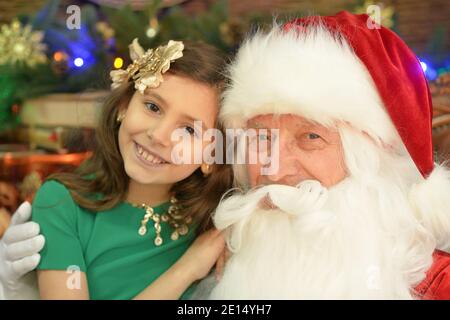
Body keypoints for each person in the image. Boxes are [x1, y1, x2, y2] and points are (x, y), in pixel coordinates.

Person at [196, 11, 450, 299]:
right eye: (262, 137)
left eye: (311, 137)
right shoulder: (214, 257)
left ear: (370, 161)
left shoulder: (440, 285)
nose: (273, 171)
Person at [1, 38, 233, 299]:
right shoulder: (62, 204)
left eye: (189, 130)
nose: (159, 135)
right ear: (124, 105)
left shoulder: (218, 219)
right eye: (153, 107)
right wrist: (187, 269)